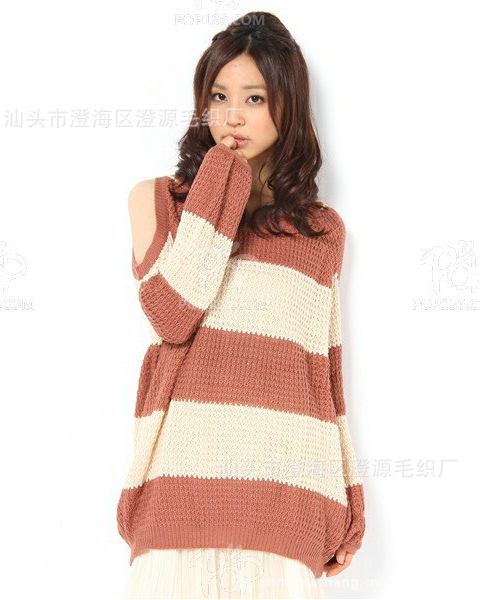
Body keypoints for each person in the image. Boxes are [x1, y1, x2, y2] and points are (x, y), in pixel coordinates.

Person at [118, 11, 365, 599]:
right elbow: (173, 314)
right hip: (178, 490)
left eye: (254, 98)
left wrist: (350, 501)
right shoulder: (158, 202)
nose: (232, 116)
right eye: (219, 96)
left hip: (287, 495)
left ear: (287, 105)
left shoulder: (319, 231)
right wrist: (221, 178)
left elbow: (324, 376)